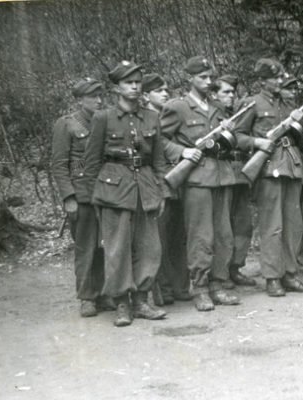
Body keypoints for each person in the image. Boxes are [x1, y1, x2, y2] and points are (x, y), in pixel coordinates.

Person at [83, 61, 168, 326]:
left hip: (145, 188)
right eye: (128, 82)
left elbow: (158, 160)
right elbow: (92, 162)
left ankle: (141, 300)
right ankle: (121, 304)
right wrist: (96, 197)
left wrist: (161, 190)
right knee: (117, 249)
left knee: (149, 247)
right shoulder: (103, 118)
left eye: (137, 82)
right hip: (113, 190)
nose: (134, 87)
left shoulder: (152, 117)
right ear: (117, 88)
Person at [160, 56, 240, 311]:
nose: (207, 82)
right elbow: (158, 140)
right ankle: (201, 288)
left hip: (222, 176)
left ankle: (219, 284)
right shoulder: (178, 107)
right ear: (189, 79)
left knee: (224, 235)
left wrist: (228, 132)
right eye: (202, 77)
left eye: (210, 77)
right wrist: (181, 152)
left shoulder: (217, 106)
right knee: (201, 237)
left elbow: (222, 144)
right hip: (196, 180)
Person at [233, 58, 303, 297]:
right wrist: (257, 141)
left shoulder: (288, 103)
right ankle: (272, 277)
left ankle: (290, 274)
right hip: (268, 168)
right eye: (275, 78)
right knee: (272, 226)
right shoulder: (252, 104)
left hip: (292, 164)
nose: (281, 81)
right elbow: (237, 135)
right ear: (262, 81)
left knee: (293, 224)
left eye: (281, 77)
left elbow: (302, 135)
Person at [52, 78, 112, 318]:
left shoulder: (105, 121)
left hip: (106, 192)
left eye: (100, 96)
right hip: (82, 194)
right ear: (79, 99)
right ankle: (87, 296)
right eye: (92, 96)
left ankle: (105, 292)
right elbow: (58, 164)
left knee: (105, 246)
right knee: (86, 247)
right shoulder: (67, 124)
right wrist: (68, 197)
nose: (98, 100)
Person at [141, 73, 193, 306]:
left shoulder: (171, 114)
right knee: (158, 238)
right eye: (158, 90)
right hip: (155, 183)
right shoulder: (143, 119)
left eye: (166, 90)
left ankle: (181, 286)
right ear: (145, 95)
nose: (165, 93)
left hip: (178, 184)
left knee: (179, 237)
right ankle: (162, 289)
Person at [210, 74, 257, 289]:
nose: (230, 96)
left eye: (232, 92)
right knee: (223, 226)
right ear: (214, 94)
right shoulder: (211, 116)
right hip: (222, 173)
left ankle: (235, 267)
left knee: (243, 223)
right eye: (225, 92)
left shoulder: (239, 113)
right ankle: (219, 271)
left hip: (242, 171)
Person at [279, 73, 303, 274]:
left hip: (301, 165)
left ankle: (295, 256)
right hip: (284, 165)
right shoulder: (279, 110)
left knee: (302, 213)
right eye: (288, 88)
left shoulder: (298, 111)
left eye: (294, 89)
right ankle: (286, 260)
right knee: (287, 215)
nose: (292, 92)